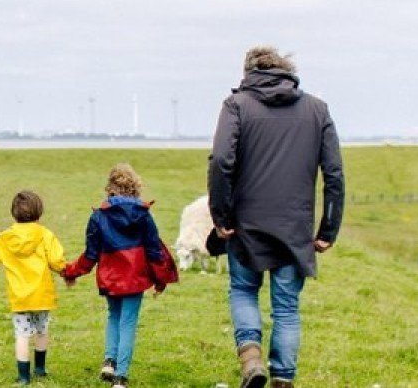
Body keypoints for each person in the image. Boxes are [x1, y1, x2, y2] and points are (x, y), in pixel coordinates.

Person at [208, 46, 345, 388]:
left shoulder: (236, 105)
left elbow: (221, 162)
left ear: (248, 72)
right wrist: (328, 229)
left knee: (243, 290)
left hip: (245, 224)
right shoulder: (317, 109)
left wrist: (220, 216)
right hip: (294, 228)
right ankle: (283, 379)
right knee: (286, 307)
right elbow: (334, 174)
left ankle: (251, 360)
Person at [61, 164, 177, 388]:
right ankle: (121, 376)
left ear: (110, 188)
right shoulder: (144, 215)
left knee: (113, 317)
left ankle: (109, 361)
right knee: (128, 323)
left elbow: (90, 255)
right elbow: (154, 251)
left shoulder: (98, 217)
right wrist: (161, 279)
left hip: (111, 278)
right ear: (135, 187)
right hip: (135, 278)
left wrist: (71, 271)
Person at [0, 190, 66, 385]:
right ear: (39, 212)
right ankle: (40, 369)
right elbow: (57, 261)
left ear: (13, 213)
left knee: (22, 336)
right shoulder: (45, 234)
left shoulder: (4, 238)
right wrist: (65, 272)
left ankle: (24, 376)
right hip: (42, 295)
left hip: (19, 298)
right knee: (42, 332)